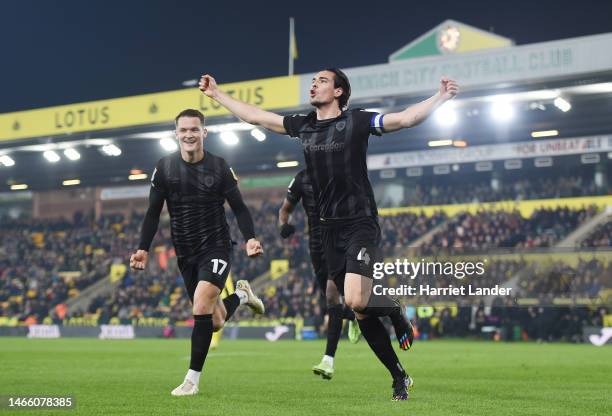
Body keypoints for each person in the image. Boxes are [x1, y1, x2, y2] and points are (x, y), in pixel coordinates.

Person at [199, 69, 459, 400]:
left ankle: (394, 309)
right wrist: (218, 95)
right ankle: (399, 375)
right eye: (314, 81)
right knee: (361, 309)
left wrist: (441, 97)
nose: (314, 84)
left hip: (360, 222)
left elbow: (406, 118)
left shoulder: (358, 122)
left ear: (338, 91)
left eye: (322, 81)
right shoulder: (304, 125)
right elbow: (259, 118)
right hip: (326, 229)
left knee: (353, 299)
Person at [129, 108, 265, 396]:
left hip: (216, 246)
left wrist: (250, 238)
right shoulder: (164, 168)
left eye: (194, 129)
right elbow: (153, 213)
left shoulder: (219, 166)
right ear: (176, 134)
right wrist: (143, 248)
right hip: (185, 251)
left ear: (205, 132)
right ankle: (242, 295)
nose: (189, 134)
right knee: (214, 321)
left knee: (200, 306)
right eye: (183, 130)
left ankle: (191, 381)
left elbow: (239, 208)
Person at [279, 169, 362, 380]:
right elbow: (285, 209)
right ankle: (352, 316)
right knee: (330, 301)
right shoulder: (301, 178)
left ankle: (328, 360)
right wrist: (284, 225)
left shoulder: (340, 172)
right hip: (316, 246)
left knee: (332, 294)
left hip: (339, 242)